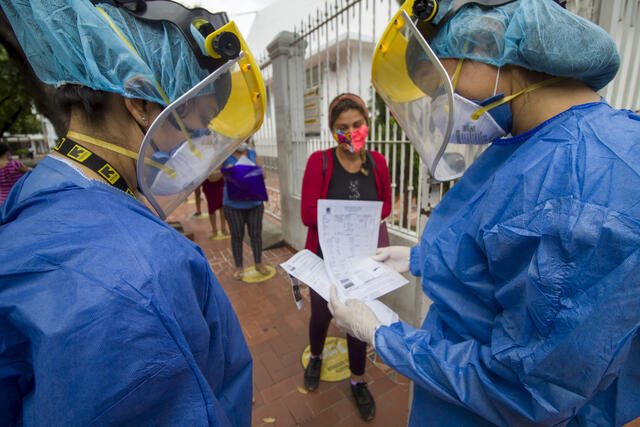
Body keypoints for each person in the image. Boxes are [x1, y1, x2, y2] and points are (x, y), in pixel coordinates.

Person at [328, 0, 640, 426]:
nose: (441, 102)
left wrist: (384, 338)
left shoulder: (583, 188)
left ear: (485, 42)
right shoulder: (533, 144)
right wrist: (418, 258)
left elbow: (525, 389)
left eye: (439, 81)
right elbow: (498, 255)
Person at [0, 0, 266, 424]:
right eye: (189, 124)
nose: (189, 147)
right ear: (139, 100)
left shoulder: (37, 189)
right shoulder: (144, 277)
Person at [300, 93, 392, 421]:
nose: (351, 132)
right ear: (331, 130)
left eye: (357, 125)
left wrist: (357, 218)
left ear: (366, 124)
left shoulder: (378, 163)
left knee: (356, 321)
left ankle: (358, 380)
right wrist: (351, 216)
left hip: (362, 260)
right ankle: (316, 356)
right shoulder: (319, 163)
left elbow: (387, 207)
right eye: (342, 127)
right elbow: (308, 213)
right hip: (325, 258)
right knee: (321, 315)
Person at [222, 141, 270, 280]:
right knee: (237, 236)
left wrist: (256, 171)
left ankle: (258, 264)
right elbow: (212, 177)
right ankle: (239, 267)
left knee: (256, 234)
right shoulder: (224, 156)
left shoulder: (252, 154)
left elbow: (264, 175)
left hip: (254, 202)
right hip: (233, 205)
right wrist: (226, 172)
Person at [201, 169, 229, 237]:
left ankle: (223, 228)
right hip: (208, 183)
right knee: (211, 207)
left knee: (222, 205)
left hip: (219, 181)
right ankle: (214, 230)